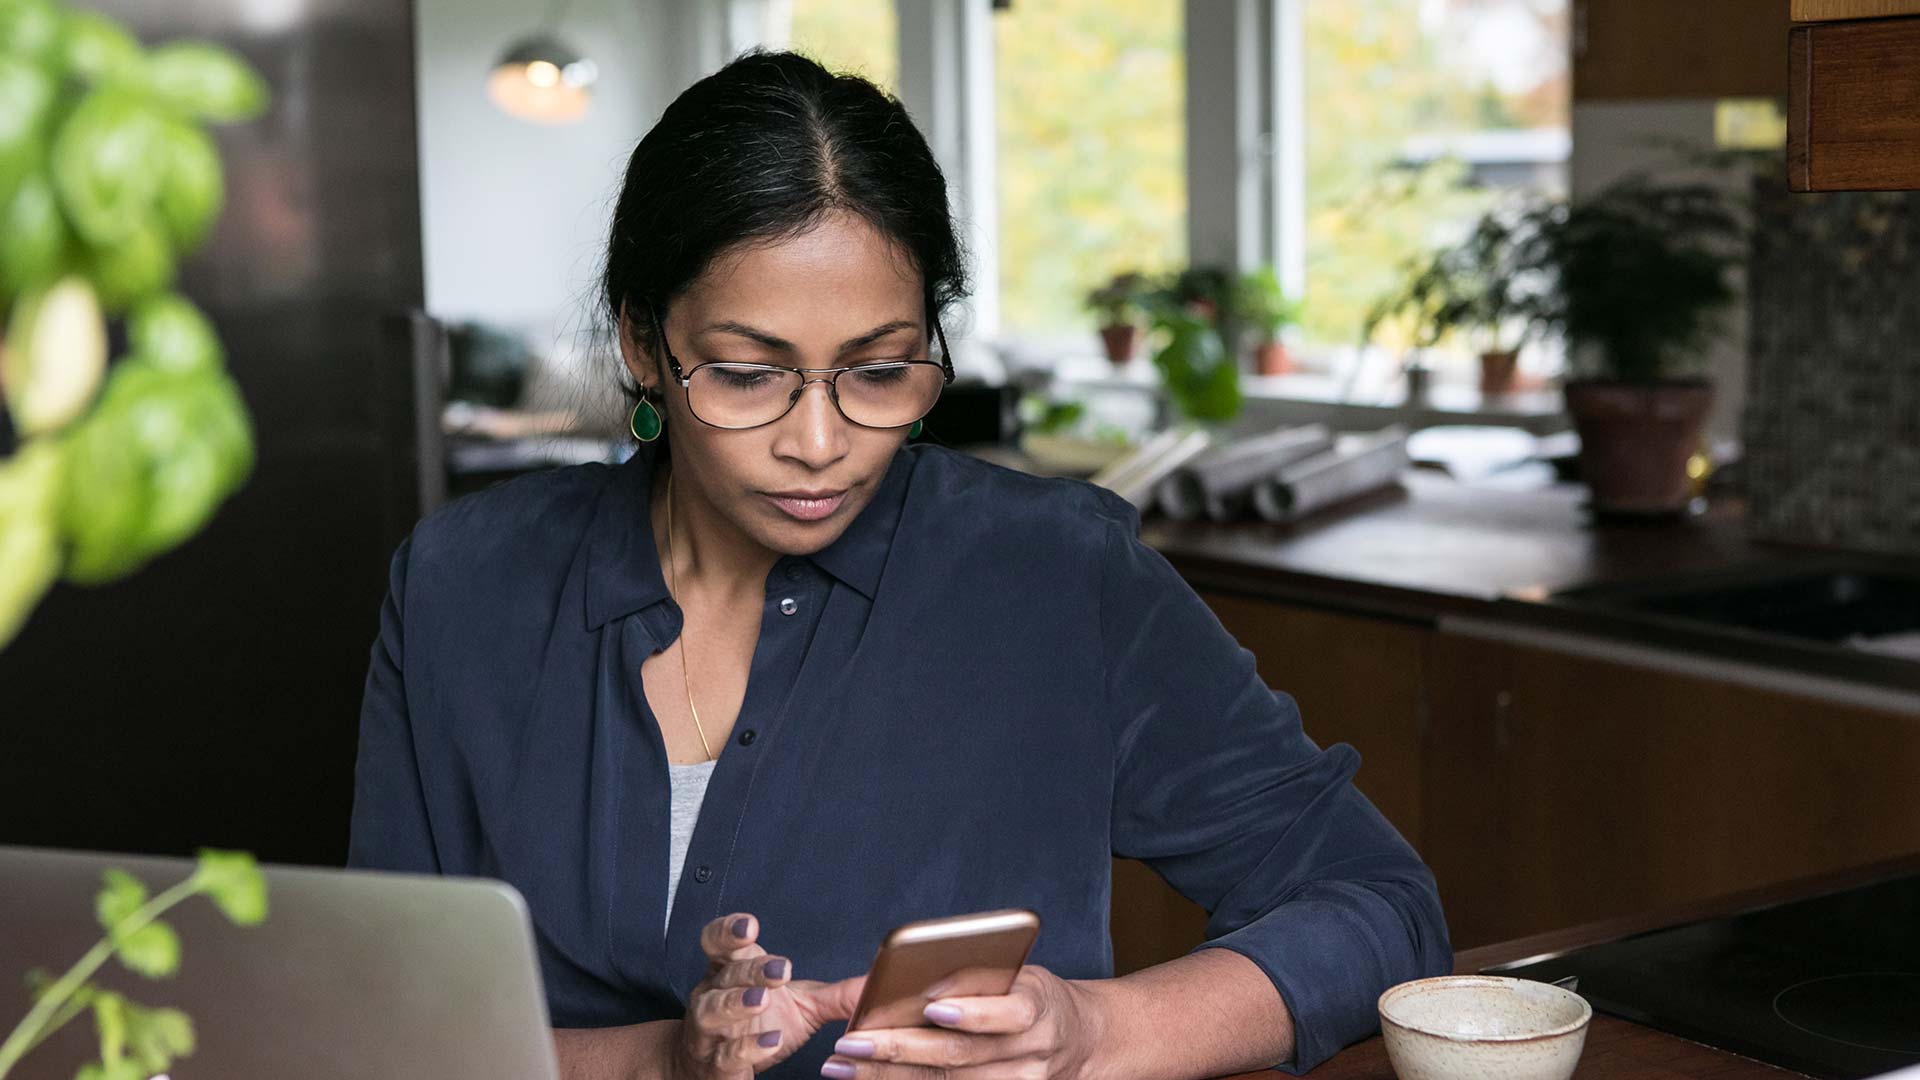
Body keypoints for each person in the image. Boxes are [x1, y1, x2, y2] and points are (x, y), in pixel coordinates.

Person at [348, 49, 1449, 1080]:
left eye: (879, 371)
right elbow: (379, 1022)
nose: (818, 443)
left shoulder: (1057, 576)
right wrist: (665, 1060)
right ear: (643, 342)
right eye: (747, 374)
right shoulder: (463, 585)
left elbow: (1378, 905)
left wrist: (1092, 1033)